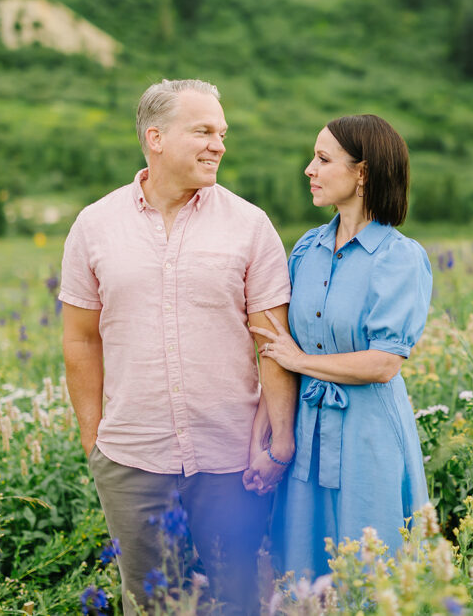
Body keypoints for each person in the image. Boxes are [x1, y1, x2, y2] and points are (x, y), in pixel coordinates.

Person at [59, 79, 297, 615]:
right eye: (204, 131)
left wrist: (277, 440)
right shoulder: (94, 226)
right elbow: (80, 338)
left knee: (239, 598)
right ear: (156, 137)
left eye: (223, 132)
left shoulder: (250, 225)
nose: (219, 144)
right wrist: (93, 440)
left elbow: (273, 344)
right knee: (149, 602)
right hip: (131, 456)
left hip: (231, 458)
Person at [250, 114, 432, 579]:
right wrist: (267, 436)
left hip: (367, 433)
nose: (309, 169)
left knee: (372, 572)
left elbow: (385, 362)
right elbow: (275, 350)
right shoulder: (305, 250)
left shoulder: (399, 257)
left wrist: (301, 360)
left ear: (363, 172)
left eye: (323, 159)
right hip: (307, 430)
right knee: (304, 573)